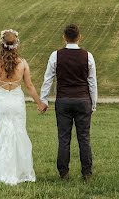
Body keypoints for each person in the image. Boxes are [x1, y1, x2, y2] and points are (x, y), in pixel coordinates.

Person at [0, 29, 45, 185]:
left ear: (2, 44)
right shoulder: (23, 63)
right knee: (18, 133)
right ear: (16, 44)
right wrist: (39, 103)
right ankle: (18, 170)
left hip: (0, 102)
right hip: (16, 102)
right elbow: (29, 86)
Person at [39, 23, 97, 182]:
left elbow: (48, 79)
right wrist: (94, 103)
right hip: (83, 99)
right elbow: (92, 82)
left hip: (63, 100)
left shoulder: (55, 55)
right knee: (84, 137)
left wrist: (44, 99)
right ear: (79, 37)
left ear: (64, 37)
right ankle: (87, 173)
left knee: (64, 138)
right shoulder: (88, 56)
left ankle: (63, 173)